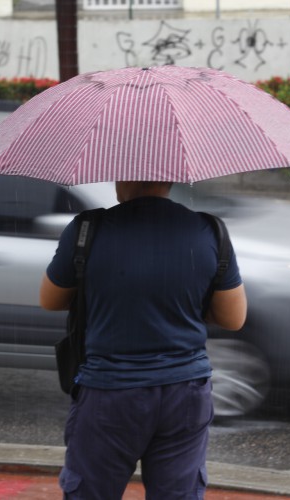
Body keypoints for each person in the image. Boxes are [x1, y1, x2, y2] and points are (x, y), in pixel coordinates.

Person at [39, 181, 247, 500]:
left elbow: (50, 299)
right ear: (170, 178)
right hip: (184, 393)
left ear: (122, 175)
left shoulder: (87, 230)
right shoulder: (209, 230)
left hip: (109, 392)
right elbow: (234, 318)